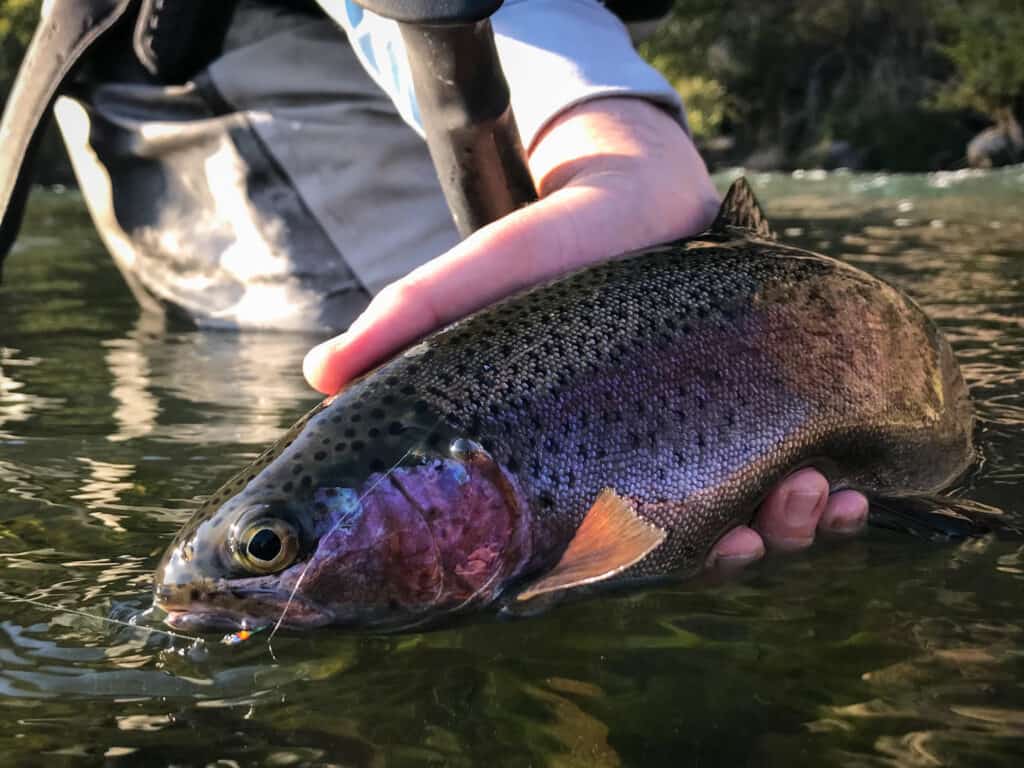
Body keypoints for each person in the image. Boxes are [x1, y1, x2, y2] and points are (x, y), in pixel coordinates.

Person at [48, 0, 868, 567]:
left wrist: (614, 130)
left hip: (533, 36)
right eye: (268, 552)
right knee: (336, 362)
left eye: (270, 553)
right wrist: (599, 122)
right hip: (241, 42)